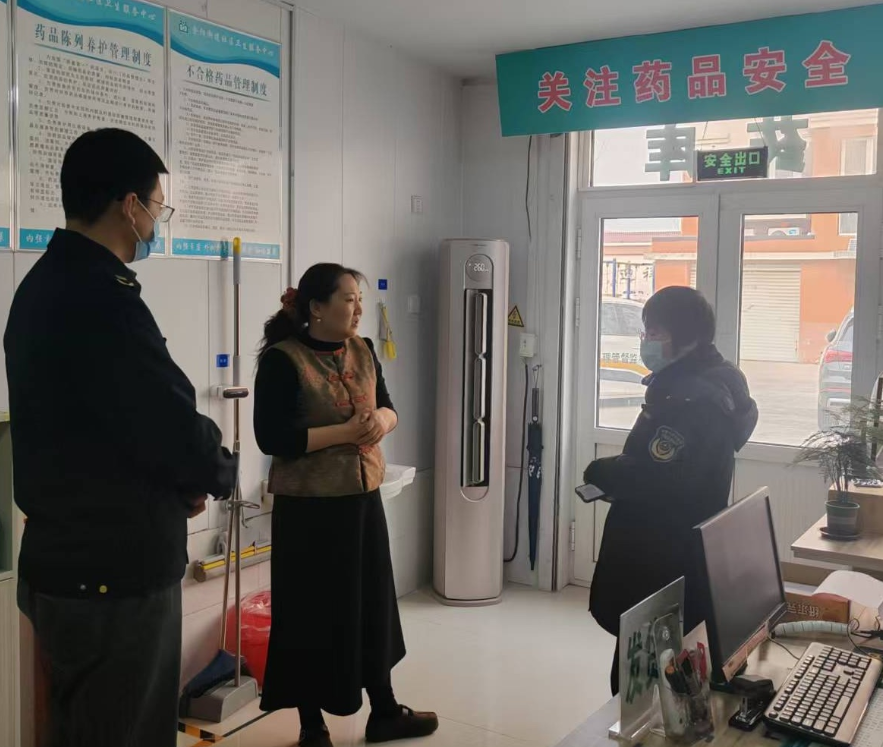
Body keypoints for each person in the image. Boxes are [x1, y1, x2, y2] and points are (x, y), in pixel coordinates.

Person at [3, 129, 237, 746]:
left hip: (63, 564)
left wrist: (176, 484)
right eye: (158, 206)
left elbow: (104, 428)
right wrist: (215, 471)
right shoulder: (103, 299)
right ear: (129, 205)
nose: (157, 221)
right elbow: (167, 422)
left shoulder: (41, 287)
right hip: (115, 577)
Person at [254, 264, 438, 747]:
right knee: (310, 613)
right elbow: (273, 438)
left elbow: (389, 406)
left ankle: (384, 711)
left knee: (371, 605)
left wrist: (381, 421)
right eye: (348, 299)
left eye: (359, 299)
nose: (358, 309)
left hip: (361, 500)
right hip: (308, 509)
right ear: (317, 307)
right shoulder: (283, 360)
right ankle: (311, 725)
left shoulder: (363, 349)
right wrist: (345, 433)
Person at [582, 286, 758, 696]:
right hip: (685, 553)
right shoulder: (721, 382)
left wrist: (599, 471)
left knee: (641, 681)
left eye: (654, 332)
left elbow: (654, 476)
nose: (646, 341)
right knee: (675, 666)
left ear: (686, 336)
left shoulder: (690, 399)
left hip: (657, 559)